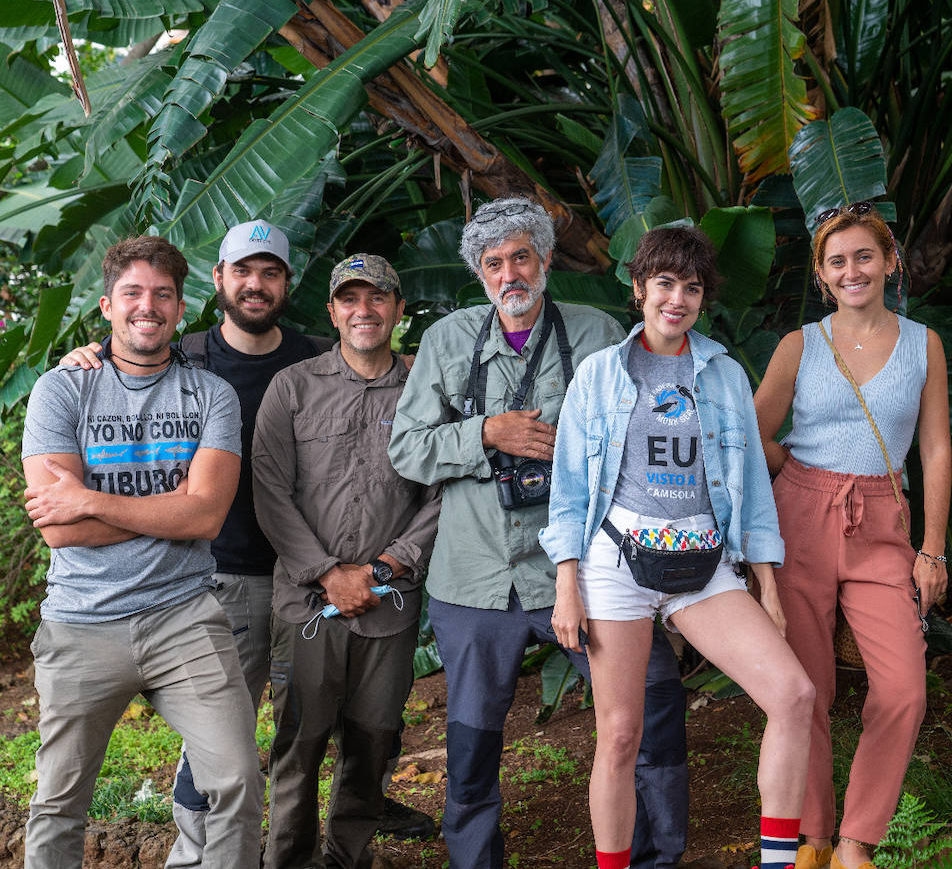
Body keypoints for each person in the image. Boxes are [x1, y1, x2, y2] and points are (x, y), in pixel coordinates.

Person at [58, 221, 436, 858]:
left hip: (311, 581)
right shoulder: (191, 355)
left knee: (345, 722)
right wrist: (87, 354)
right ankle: (197, 852)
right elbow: (133, 345)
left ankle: (351, 832)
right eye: (243, 272)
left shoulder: (312, 355)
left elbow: (373, 364)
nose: (255, 286)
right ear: (219, 280)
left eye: (269, 273)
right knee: (221, 734)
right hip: (222, 575)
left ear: (288, 284)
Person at [389, 197, 690, 869]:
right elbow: (407, 450)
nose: (509, 273)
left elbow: (643, 436)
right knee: (470, 741)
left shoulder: (595, 333)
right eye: (493, 263)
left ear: (547, 260)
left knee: (652, 701)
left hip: (588, 571)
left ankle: (654, 855)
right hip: (475, 576)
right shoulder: (447, 341)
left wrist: (579, 448)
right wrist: (486, 433)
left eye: (521, 256)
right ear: (480, 275)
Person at [542, 226, 815, 869]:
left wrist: (767, 584)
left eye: (692, 288)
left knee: (793, 694)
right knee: (620, 733)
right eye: (665, 284)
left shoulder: (721, 373)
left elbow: (750, 491)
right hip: (617, 565)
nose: (678, 299)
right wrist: (566, 587)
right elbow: (570, 490)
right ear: (639, 290)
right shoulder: (600, 374)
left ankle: (777, 861)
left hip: (704, 564)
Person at [20, 236, 263, 867]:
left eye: (162, 295)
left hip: (185, 617)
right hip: (81, 621)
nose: (146, 306)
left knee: (236, 781)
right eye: (132, 292)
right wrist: (171, 511)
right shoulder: (60, 391)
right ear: (106, 305)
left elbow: (207, 514)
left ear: (182, 310)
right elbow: (59, 530)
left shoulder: (210, 396)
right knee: (58, 800)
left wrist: (91, 500)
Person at [753, 204, 950, 869]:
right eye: (837, 261)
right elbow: (752, 432)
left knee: (903, 688)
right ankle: (812, 836)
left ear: (889, 262)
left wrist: (932, 548)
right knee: (804, 685)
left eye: (864, 256)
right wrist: (793, 474)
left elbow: (937, 448)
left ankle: (857, 838)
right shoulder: (800, 346)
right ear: (822, 275)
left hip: (882, 521)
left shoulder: (923, 345)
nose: (852, 270)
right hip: (800, 514)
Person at [252, 253, 442, 868]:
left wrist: (386, 566)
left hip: (390, 600)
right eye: (350, 300)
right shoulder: (294, 386)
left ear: (398, 310)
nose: (365, 311)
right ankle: (290, 861)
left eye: (378, 298)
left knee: (374, 740)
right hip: (308, 601)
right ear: (332, 312)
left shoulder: (425, 388)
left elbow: (443, 492)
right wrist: (330, 573)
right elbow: (269, 489)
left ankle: (345, 859)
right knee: (299, 743)